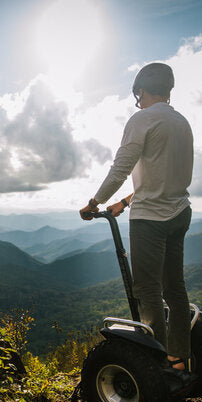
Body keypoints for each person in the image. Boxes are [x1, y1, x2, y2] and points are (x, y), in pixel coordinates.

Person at [79, 62, 193, 372]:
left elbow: (121, 168)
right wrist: (126, 201)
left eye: (138, 94)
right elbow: (167, 177)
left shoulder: (142, 118)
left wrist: (95, 202)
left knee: (147, 290)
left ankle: (154, 363)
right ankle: (179, 358)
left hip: (151, 221)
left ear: (141, 90)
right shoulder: (181, 122)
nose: (138, 100)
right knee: (174, 287)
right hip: (180, 212)